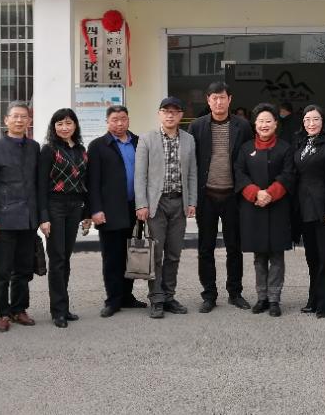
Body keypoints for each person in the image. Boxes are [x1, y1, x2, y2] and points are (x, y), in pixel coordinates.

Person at [188, 82, 254, 313]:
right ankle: (209, 294)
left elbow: (248, 159)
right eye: (214, 98)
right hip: (206, 195)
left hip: (232, 195)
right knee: (205, 247)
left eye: (222, 97)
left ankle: (235, 292)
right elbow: (191, 163)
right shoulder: (197, 126)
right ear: (208, 100)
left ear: (229, 99)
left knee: (234, 247)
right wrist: (191, 198)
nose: (218, 102)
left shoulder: (242, 126)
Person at [135, 96, 198, 319]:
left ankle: (169, 297)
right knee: (156, 253)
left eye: (174, 111)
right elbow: (140, 175)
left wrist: (192, 202)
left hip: (179, 202)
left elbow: (192, 173)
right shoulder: (147, 139)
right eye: (166, 111)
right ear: (159, 114)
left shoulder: (189, 139)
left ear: (181, 115)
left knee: (174, 253)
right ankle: (156, 298)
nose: (170, 115)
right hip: (157, 204)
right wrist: (141, 204)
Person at [0, 101, 41, 332]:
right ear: (6, 120)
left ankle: (19, 309)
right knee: (2, 271)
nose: (19, 120)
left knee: (24, 269)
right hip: (4, 219)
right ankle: (2, 313)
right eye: (15, 116)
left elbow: (36, 184)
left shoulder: (34, 147)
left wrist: (39, 217)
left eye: (23, 116)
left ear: (29, 121)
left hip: (28, 219)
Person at [236, 104, 296, 316]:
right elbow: (239, 174)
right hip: (253, 208)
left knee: (277, 256)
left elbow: (288, 175)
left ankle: (274, 299)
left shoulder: (285, 148)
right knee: (259, 256)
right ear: (255, 124)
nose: (264, 125)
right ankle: (262, 297)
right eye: (260, 121)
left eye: (268, 121)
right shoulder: (245, 149)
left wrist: (270, 193)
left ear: (275, 124)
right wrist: (255, 193)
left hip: (278, 208)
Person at [87, 106, 146, 318]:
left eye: (123, 119)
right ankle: (113, 300)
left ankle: (127, 296)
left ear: (128, 120)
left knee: (131, 254)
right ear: (107, 121)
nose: (119, 123)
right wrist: (95, 209)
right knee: (112, 257)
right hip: (109, 210)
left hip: (134, 209)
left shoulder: (139, 142)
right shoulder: (98, 146)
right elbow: (92, 182)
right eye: (114, 119)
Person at [38, 108, 91, 328]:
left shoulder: (81, 150)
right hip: (55, 206)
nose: (64, 127)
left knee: (66, 258)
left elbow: (85, 183)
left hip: (75, 206)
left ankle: (64, 307)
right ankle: (58, 311)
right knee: (57, 258)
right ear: (54, 127)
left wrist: (87, 213)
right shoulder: (48, 150)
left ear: (75, 125)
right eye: (59, 124)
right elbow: (41, 185)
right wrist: (43, 217)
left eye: (68, 123)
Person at [293, 104, 325, 318]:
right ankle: (313, 299)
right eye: (307, 120)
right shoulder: (301, 143)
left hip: (323, 209)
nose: (311, 123)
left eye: (315, 119)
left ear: (323, 122)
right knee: (312, 257)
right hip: (304, 209)